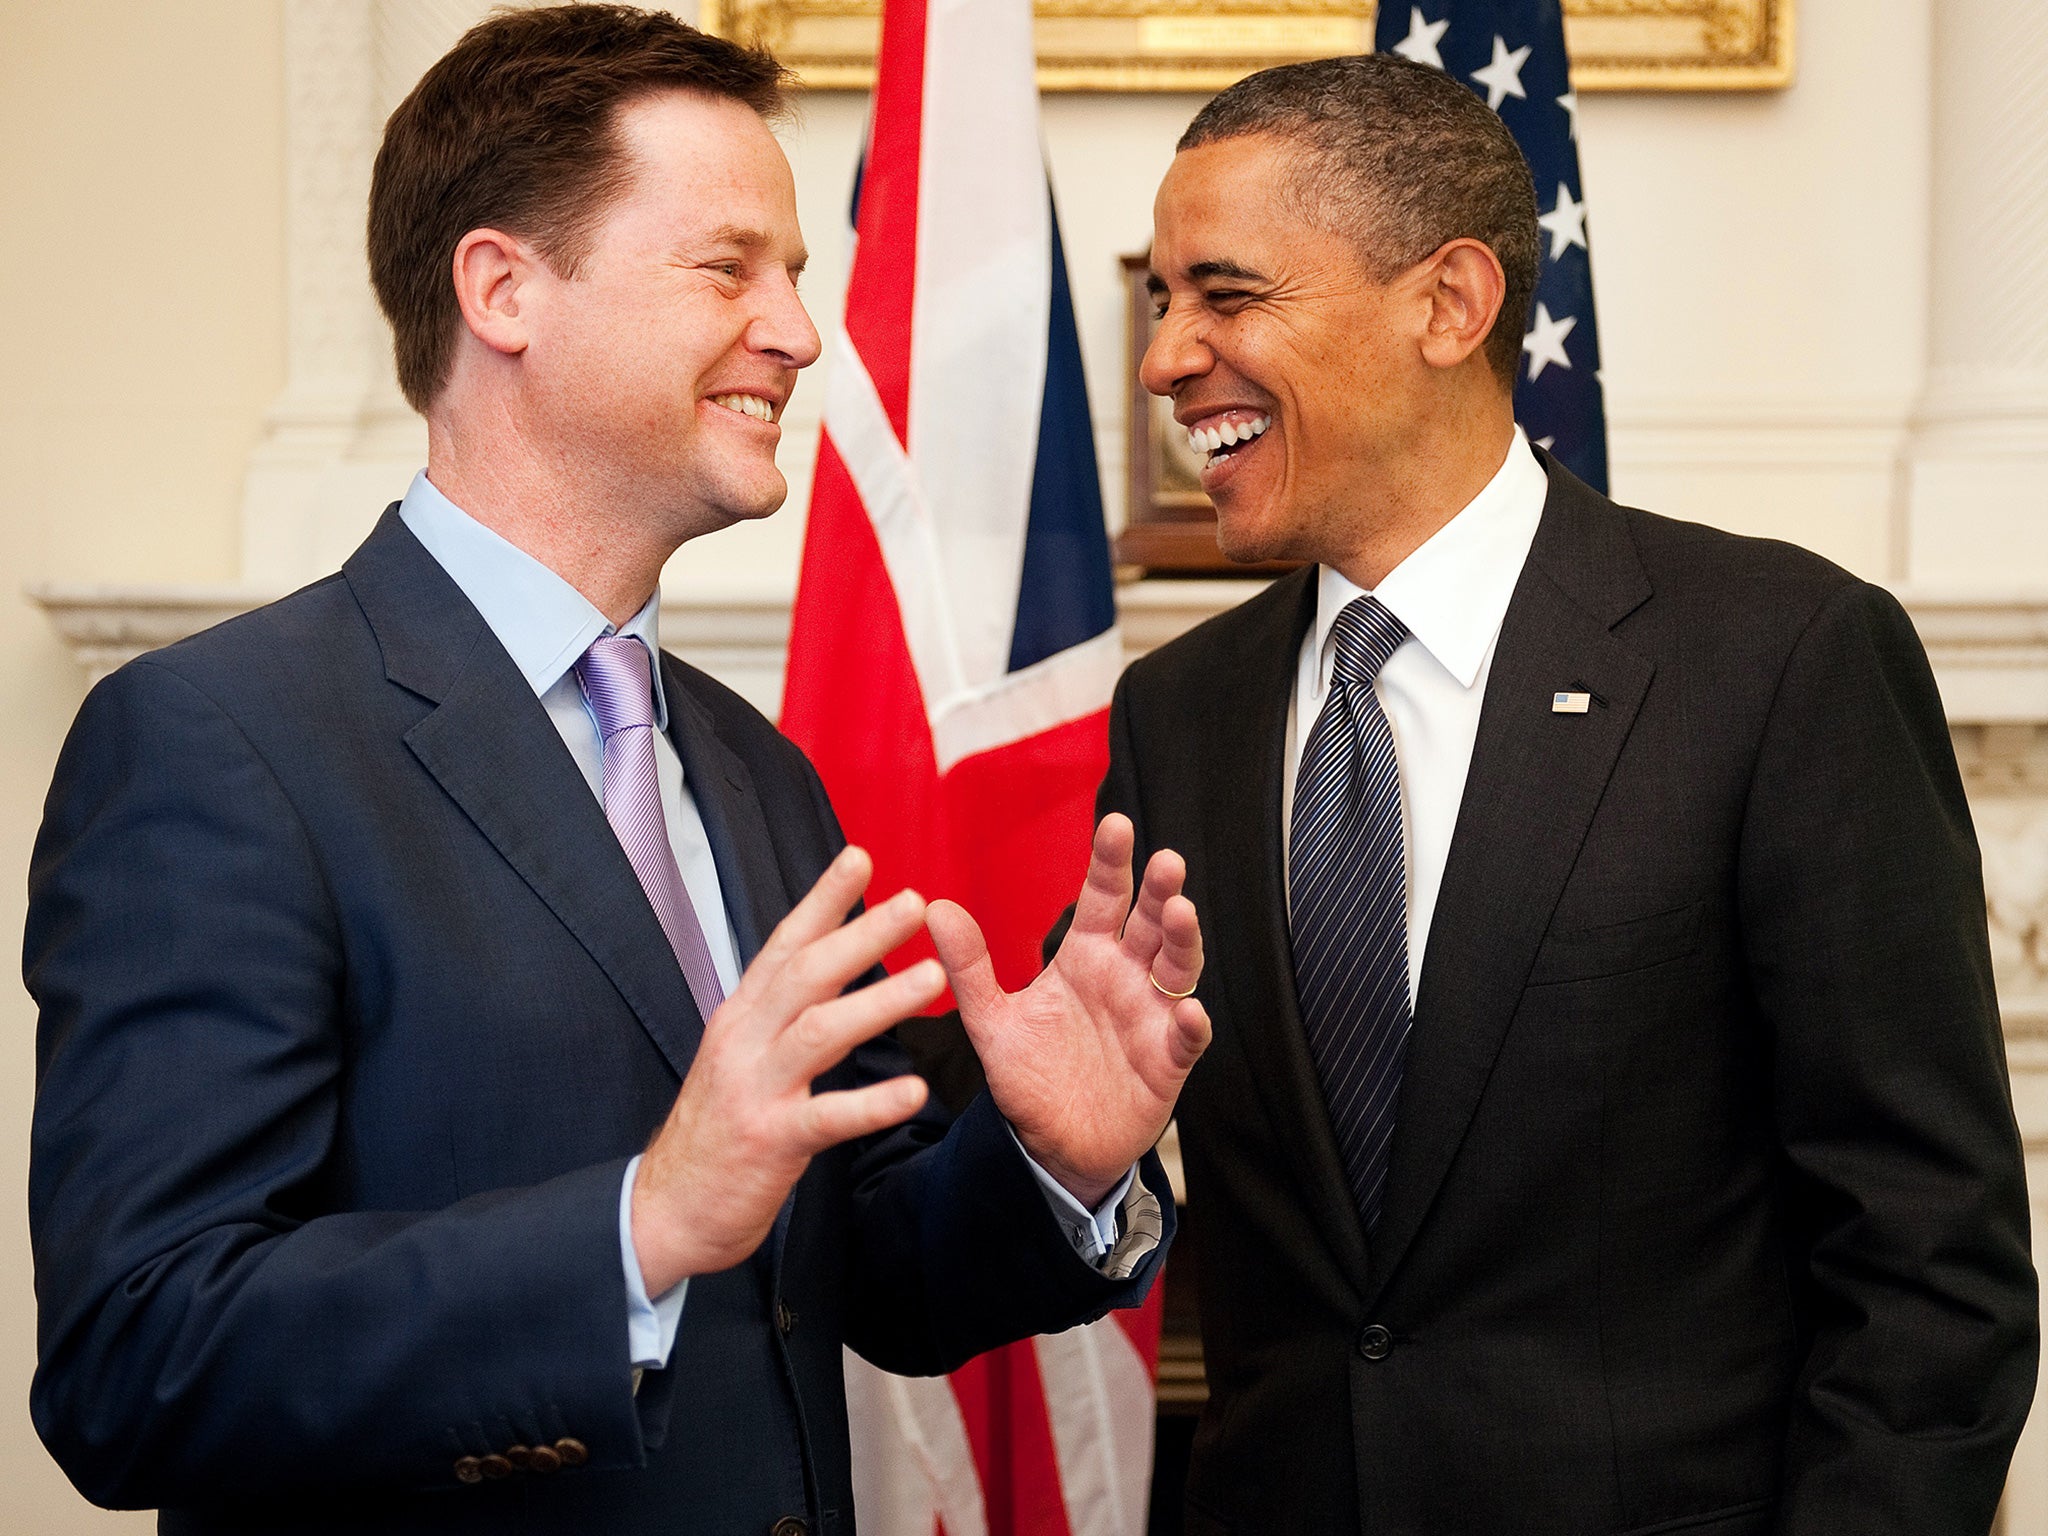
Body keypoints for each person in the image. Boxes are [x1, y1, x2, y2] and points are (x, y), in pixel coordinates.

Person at [23, 9, 1210, 1534]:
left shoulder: (756, 768)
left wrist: (1054, 1162)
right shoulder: (215, 745)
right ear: (503, 288)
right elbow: (139, 1361)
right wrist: (634, 1227)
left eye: (794, 274)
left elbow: (864, 1273)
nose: (798, 330)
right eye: (730, 269)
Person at [1113, 52, 2038, 1535]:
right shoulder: (1180, 711)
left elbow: (1930, 1268)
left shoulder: (1777, 660)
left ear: (1449, 304)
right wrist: (1059, 1151)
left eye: (1225, 295)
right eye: (1166, 303)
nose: (1167, 357)